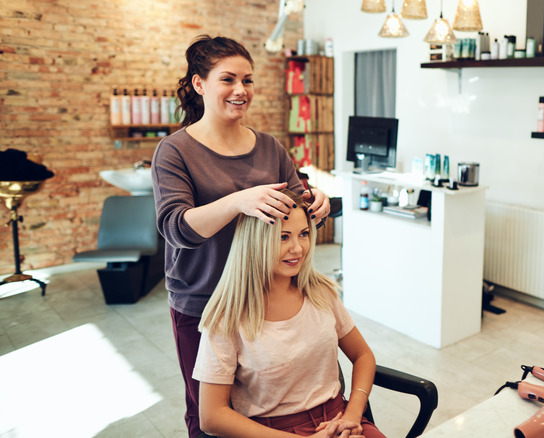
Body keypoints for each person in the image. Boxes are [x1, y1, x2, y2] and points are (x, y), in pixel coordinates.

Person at [152, 35, 330, 437]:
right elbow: (175, 227)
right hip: (204, 302)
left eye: (247, 80)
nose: (241, 90)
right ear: (199, 84)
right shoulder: (175, 151)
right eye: (228, 79)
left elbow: (295, 213)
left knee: (267, 409)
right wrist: (237, 202)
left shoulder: (269, 147)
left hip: (267, 296)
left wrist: (316, 204)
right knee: (210, 416)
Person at [194, 190, 384, 438]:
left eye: (303, 234)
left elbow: (363, 355)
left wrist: (353, 415)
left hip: (338, 420)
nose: (298, 248)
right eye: (283, 237)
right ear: (255, 242)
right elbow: (211, 417)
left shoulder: (320, 293)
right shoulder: (227, 319)